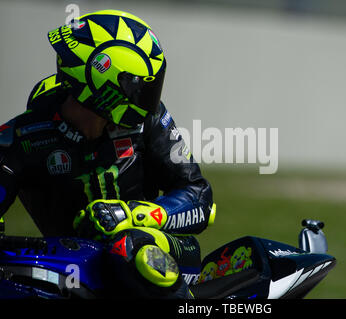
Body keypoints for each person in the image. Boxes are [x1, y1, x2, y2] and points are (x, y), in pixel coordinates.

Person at [0, 9, 215, 298]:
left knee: (131, 250)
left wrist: (133, 215)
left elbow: (200, 197)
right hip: (75, 264)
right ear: (105, 85)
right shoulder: (21, 136)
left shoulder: (149, 122)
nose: (150, 99)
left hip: (161, 251)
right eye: (142, 89)